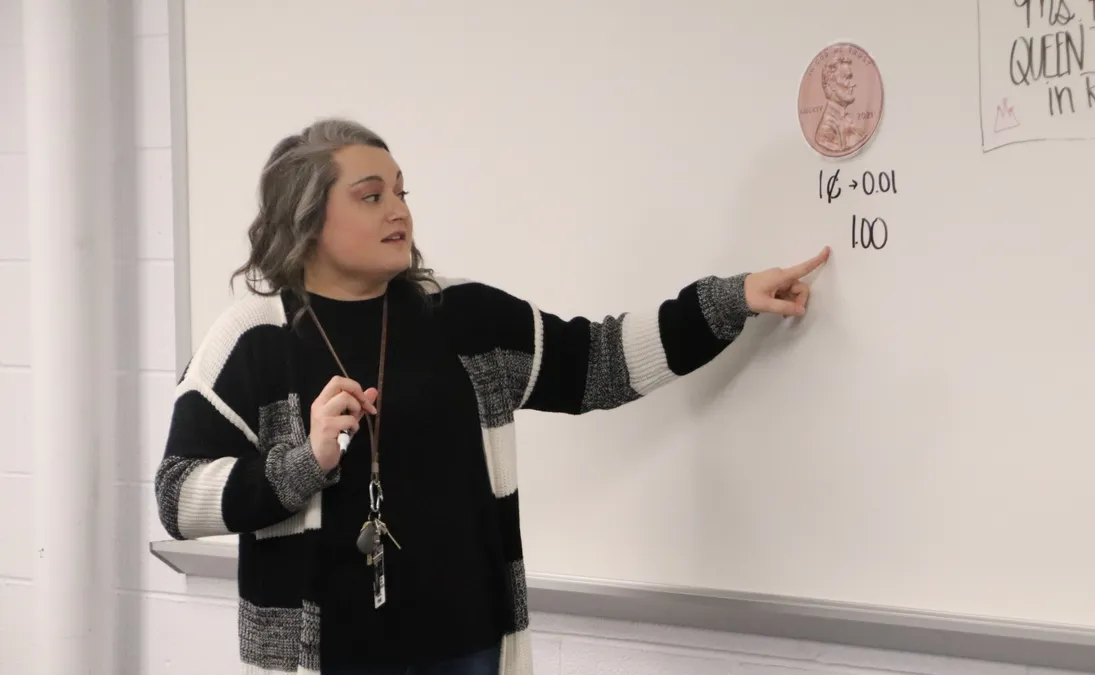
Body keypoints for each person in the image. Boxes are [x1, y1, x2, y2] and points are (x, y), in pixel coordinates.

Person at [154, 118, 831, 675]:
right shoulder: (255, 337)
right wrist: (304, 460)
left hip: (469, 647)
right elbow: (178, 496)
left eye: (401, 191)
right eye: (369, 195)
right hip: (329, 659)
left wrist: (728, 300)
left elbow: (598, 360)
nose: (399, 210)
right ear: (307, 218)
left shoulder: (462, 318)